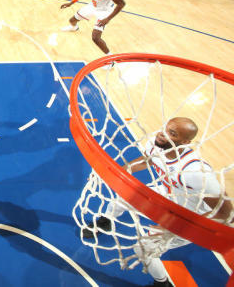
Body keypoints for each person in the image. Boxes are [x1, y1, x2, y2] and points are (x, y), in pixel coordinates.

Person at [82, 117, 233, 287]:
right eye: (165, 128)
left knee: (143, 249)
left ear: (185, 142)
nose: (162, 134)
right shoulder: (157, 144)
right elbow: (146, 160)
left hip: (193, 216)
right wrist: (115, 173)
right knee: (124, 196)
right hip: (170, 194)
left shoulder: (195, 171)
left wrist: (178, 226)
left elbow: (226, 213)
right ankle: (105, 221)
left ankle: (162, 283)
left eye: (172, 133)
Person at [60, 0, 126, 57]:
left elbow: (121, 4)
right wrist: (71, 3)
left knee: (95, 38)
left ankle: (110, 58)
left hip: (104, 11)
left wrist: (108, 19)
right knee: (72, 20)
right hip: (93, 6)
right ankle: (74, 27)